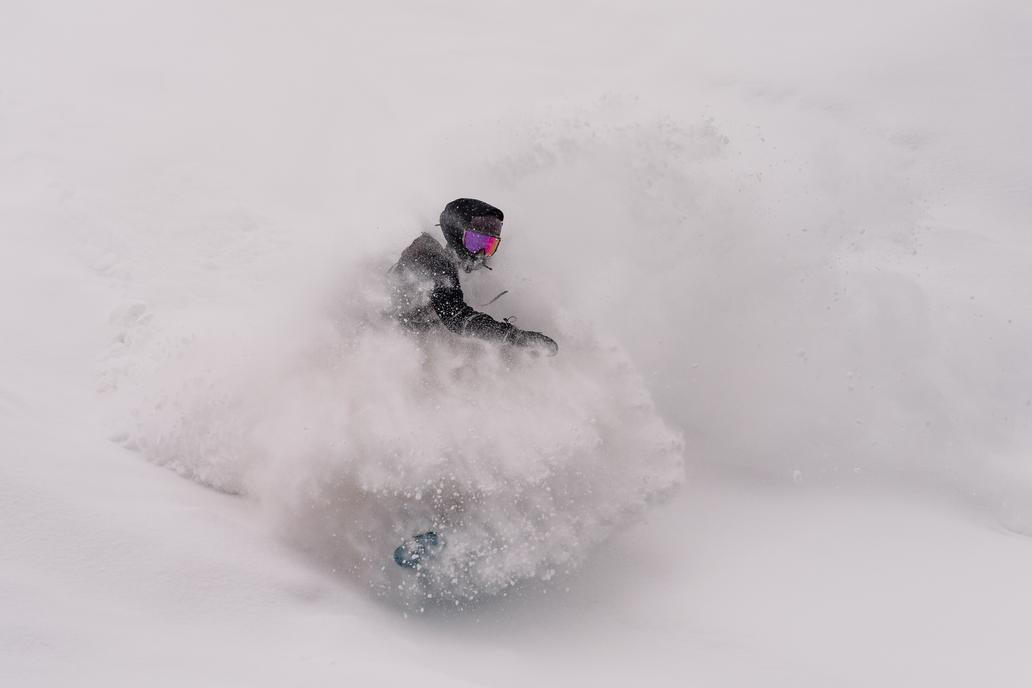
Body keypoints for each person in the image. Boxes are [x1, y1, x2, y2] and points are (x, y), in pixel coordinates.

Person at [388, 198, 558, 356]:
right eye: (475, 243)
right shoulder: (432, 258)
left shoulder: (450, 258)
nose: (481, 254)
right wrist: (513, 337)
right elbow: (455, 317)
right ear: (455, 234)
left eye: (489, 245)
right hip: (394, 345)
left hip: (418, 338)